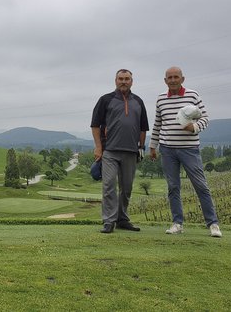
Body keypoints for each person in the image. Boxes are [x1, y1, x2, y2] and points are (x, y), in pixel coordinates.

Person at [149, 66, 222, 237]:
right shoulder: (161, 99)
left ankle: (213, 224)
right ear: (165, 80)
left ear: (182, 79)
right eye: (170, 77)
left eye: (176, 77)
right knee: (173, 187)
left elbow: (205, 118)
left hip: (189, 148)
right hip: (167, 149)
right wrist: (152, 146)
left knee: (201, 186)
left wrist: (194, 127)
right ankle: (177, 223)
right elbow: (158, 124)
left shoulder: (193, 95)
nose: (173, 80)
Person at [91, 69, 149, 234]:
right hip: (110, 151)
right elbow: (95, 125)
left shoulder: (138, 101)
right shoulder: (105, 100)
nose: (124, 81)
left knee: (127, 187)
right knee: (109, 184)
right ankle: (109, 221)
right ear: (115, 81)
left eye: (127, 79)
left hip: (131, 151)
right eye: (120, 79)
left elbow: (143, 128)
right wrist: (98, 147)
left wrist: (141, 147)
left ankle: (122, 219)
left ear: (132, 81)